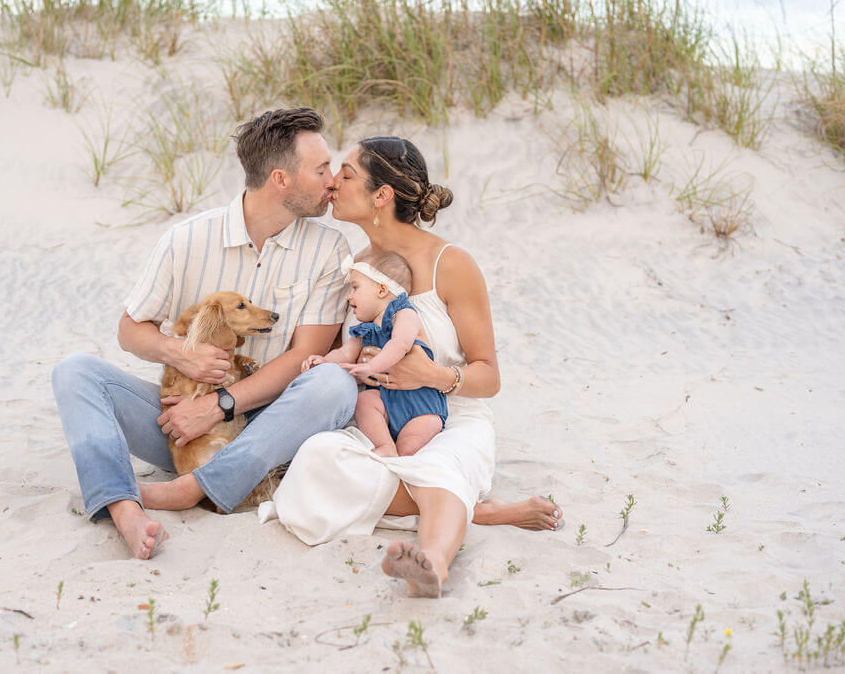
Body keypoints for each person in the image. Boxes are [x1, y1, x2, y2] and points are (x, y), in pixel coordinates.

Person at [259, 136, 564, 597]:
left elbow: (489, 377)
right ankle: (480, 510)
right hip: (379, 418)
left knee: (439, 464)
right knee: (317, 460)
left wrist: (433, 376)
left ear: (381, 196)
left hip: (447, 417)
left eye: (346, 174)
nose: (333, 183)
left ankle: (433, 565)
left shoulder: (452, 264)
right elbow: (345, 350)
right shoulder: (356, 269)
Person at [51, 108, 359, 559]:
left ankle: (193, 489)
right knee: (75, 373)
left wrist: (221, 405)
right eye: (321, 169)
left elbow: (305, 356)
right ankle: (124, 507)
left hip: (273, 427)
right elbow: (129, 329)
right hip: (184, 428)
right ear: (280, 179)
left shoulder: (329, 249)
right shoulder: (187, 239)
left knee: (333, 383)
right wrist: (180, 354)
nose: (332, 179)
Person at [301, 252, 447, 458]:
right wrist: (323, 361)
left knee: (409, 448)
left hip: (421, 403)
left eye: (355, 287)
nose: (349, 296)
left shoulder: (404, 314)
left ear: (381, 289)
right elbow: (345, 353)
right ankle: (384, 444)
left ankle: (401, 456)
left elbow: (400, 343)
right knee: (363, 401)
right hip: (385, 399)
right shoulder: (365, 329)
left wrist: (372, 366)